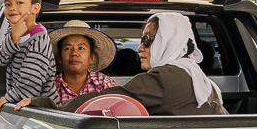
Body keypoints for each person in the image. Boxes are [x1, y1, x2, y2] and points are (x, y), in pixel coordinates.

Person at [17, 12, 227, 116]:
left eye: (147, 40)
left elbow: (109, 99)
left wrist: (45, 106)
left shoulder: (165, 77)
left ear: (169, 41)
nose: (140, 48)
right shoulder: (197, 77)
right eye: (68, 48)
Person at [0, 0, 55, 112]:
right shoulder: (12, 32)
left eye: (19, 2)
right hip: (25, 105)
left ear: (35, 8)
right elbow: (1, 58)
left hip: (43, 109)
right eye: (7, 4)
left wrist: (8, 98)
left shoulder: (39, 39)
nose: (12, 8)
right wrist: (14, 38)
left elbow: (31, 80)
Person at [47, 20, 117, 103]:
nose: (74, 53)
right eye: (68, 48)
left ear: (92, 57)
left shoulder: (104, 84)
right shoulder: (50, 87)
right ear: (59, 58)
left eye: (81, 48)